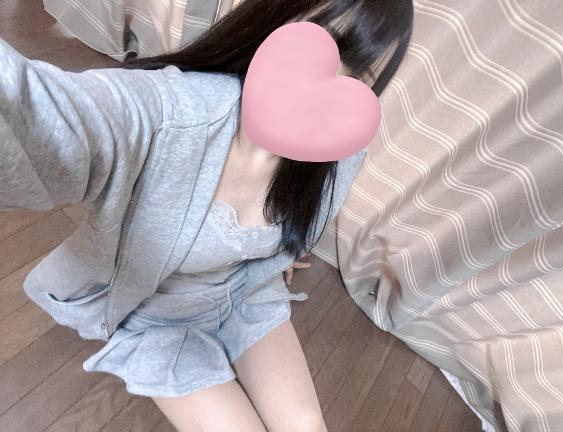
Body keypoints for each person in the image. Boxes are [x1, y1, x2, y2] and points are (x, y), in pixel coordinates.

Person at [1, 1, 413, 430]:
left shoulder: (337, 158)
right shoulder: (169, 115)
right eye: (324, 46)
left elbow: (292, 225)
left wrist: (274, 250)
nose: (327, 89)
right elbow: (44, 114)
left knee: (307, 426)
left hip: (244, 296)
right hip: (153, 317)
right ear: (270, 23)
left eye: (358, 76)